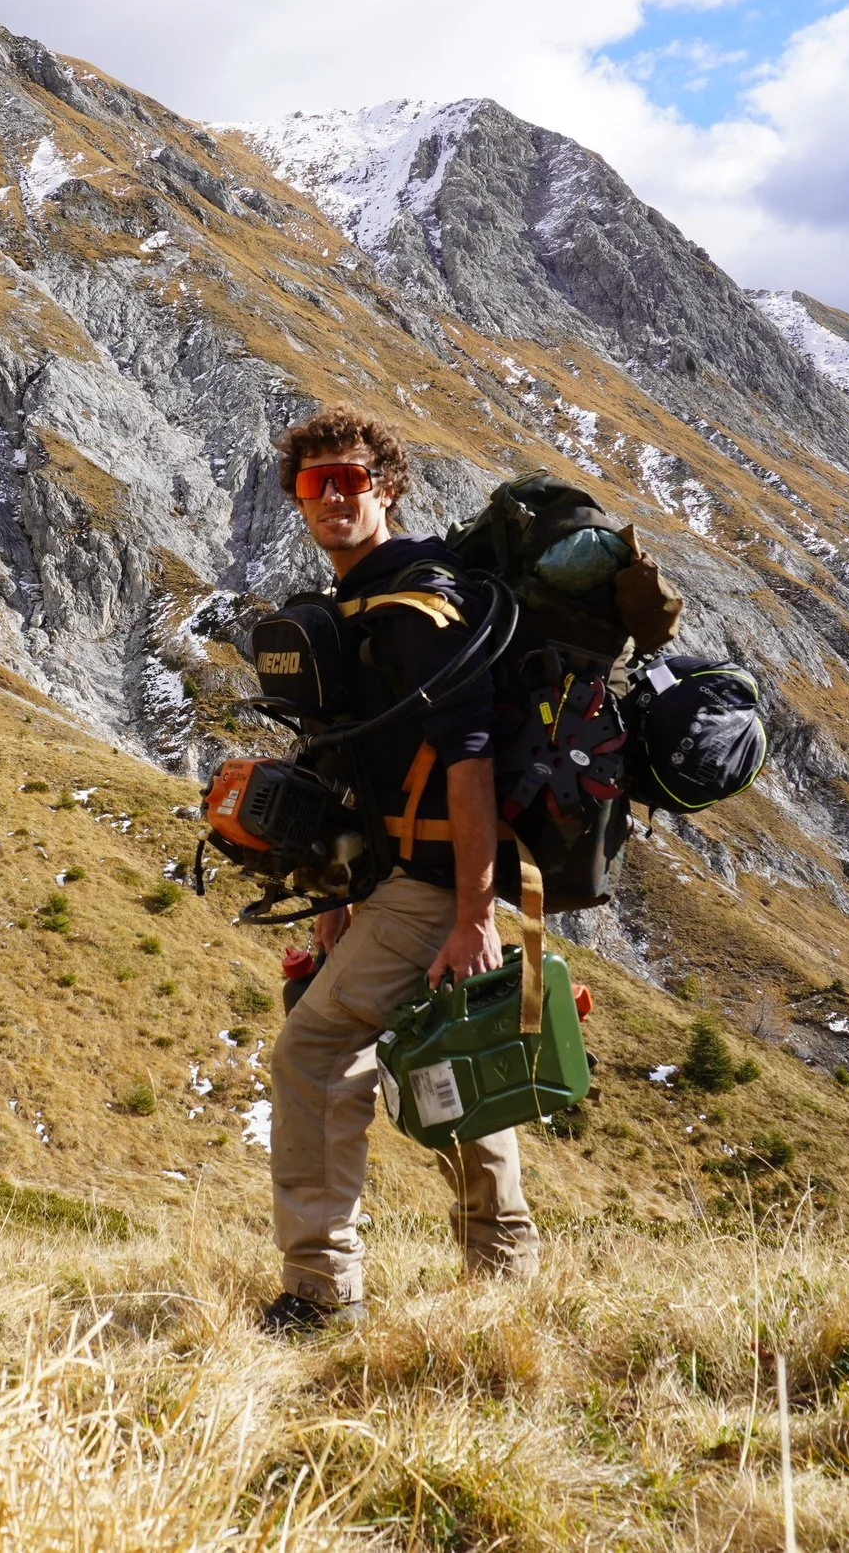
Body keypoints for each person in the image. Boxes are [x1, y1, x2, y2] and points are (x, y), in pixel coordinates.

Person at [258, 403, 539, 1337]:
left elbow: (468, 764)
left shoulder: (420, 601)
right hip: (398, 882)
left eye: (351, 479)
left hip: (441, 883)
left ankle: (320, 1290)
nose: (333, 496)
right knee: (446, 1058)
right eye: (315, 482)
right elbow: (355, 765)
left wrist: (472, 914)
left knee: (312, 1055)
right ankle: (505, 1273)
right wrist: (340, 902)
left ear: (386, 485)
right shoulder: (354, 604)